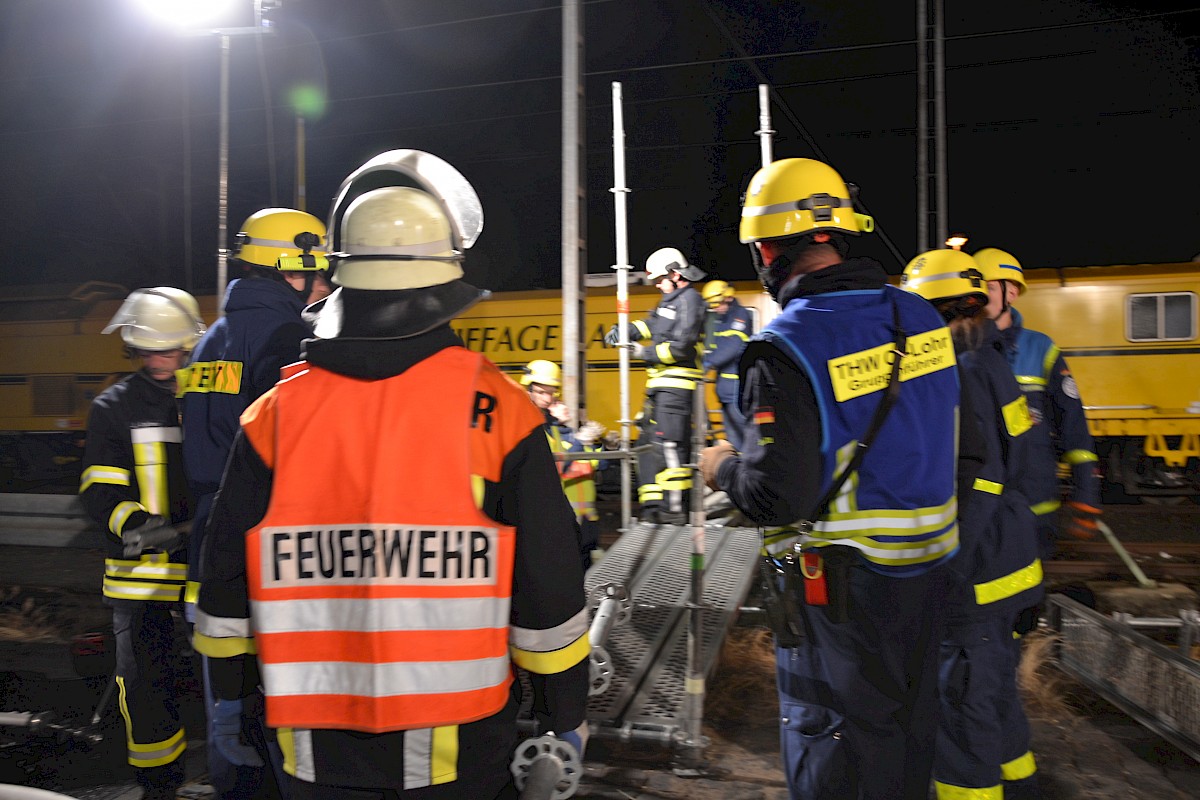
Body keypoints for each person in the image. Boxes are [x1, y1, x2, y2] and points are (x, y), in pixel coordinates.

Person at [193, 150, 590, 799]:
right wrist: (561, 715)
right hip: (461, 749)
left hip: (310, 748)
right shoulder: (501, 413)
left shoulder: (273, 416)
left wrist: (229, 701)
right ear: (444, 284)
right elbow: (549, 590)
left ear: (341, 276)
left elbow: (226, 585)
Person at [698, 157, 968, 800]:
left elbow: (774, 495)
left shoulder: (784, 346)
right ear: (840, 234)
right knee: (908, 739)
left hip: (841, 595)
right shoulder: (922, 319)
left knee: (836, 754)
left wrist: (720, 467)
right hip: (931, 574)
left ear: (768, 249)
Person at [177, 207, 330, 799]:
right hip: (267, 551)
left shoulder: (209, 341)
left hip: (209, 549)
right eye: (318, 274)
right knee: (276, 730)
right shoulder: (290, 338)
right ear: (295, 267)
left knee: (227, 717)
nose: (324, 288)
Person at [901, 249, 1045, 799]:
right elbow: (1022, 468)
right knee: (995, 698)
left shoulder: (957, 373)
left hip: (975, 576)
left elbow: (977, 479)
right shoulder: (993, 364)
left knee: (961, 715)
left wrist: (945, 563)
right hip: (1009, 562)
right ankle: (1025, 787)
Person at [79, 287, 206, 800]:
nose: (161, 360)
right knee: (147, 691)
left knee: (219, 678)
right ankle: (159, 786)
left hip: (200, 568)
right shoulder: (113, 407)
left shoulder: (206, 395)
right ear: (133, 348)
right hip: (142, 577)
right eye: (151, 350)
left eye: (171, 349)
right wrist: (134, 523)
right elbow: (99, 488)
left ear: (189, 346)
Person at [974, 247, 1101, 554]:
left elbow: (1072, 424)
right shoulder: (960, 347)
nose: (979, 296)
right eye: (975, 288)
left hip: (1035, 501)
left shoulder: (1040, 348)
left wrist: (1086, 490)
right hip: (977, 503)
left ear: (1012, 292)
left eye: (989, 288)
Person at [604, 246, 706, 524]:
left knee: (669, 447)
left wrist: (643, 353)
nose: (658, 285)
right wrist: (626, 331)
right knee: (648, 444)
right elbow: (652, 325)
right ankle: (652, 509)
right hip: (659, 388)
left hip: (677, 388)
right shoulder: (670, 301)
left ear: (676, 273)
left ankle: (674, 511)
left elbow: (681, 347)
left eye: (660, 279)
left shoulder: (690, 301)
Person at [520, 358, 607, 570]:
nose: (547, 398)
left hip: (584, 518)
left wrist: (605, 446)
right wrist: (581, 440)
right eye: (541, 392)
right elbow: (554, 469)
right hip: (555, 520)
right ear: (528, 390)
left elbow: (596, 465)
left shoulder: (558, 428)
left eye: (551, 392)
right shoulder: (530, 428)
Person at [701, 279, 754, 450]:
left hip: (736, 389)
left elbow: (733, 346)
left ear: (728, 298)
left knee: (744, 433)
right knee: (732, 438)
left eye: (717, 304)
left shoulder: (740, 316)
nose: (715, 309)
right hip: (725, 390)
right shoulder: (722, 320)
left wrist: (709, 362)